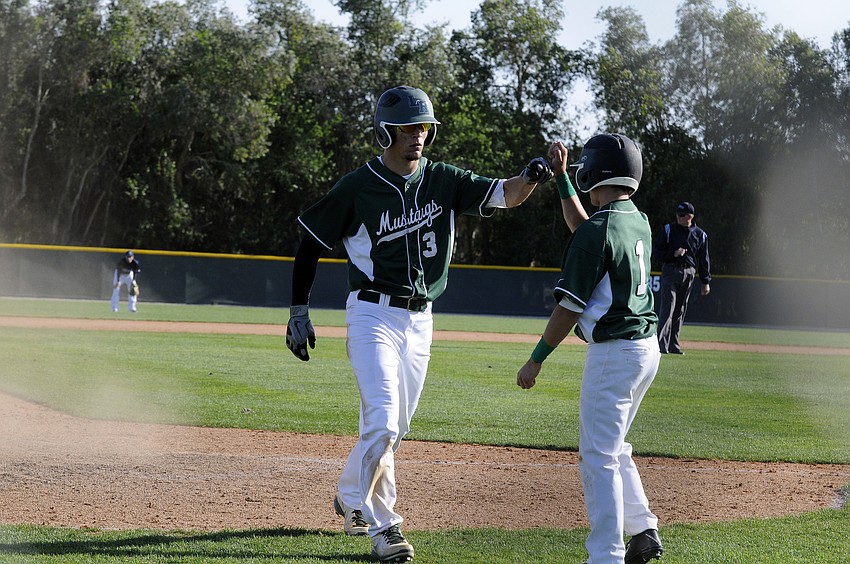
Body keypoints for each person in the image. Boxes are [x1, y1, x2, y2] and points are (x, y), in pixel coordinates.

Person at [284, 85, 552, 563]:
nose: (420, 135)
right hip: (373, 314)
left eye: (425, 127)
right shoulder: (357, 186)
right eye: (410, 127)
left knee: (394, 427)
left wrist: (531, 177)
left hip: (421, 318)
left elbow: (505, 196)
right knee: (384, 422)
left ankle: (349, 496)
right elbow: (310, 242)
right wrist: (298, 310)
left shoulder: (443, 178)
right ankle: (385, 526)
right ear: (386, 131)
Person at [516, 134, 663, 564]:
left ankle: (606, 555)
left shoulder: (598, 231)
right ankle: (643, 529)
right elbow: (588, 229)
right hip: (645, 349)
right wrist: (561, 179)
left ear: (595, 172)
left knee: (597, 456)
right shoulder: (638, 219)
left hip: (614, 355)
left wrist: (535, 360)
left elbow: (568, 309)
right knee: (615, 449)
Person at [653, 201, 711, 354]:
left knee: (680, 309)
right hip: (671, 271)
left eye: (682, 215)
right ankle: (661, 345)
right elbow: (657, 253)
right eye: (678, 214)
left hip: (689, 273)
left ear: (690, 217)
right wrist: (673, 254)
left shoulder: (700, 234)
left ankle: (674, 344)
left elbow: (704, 260)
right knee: (668, 307)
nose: (678, 217)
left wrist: (705, 281)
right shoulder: (668, 229)